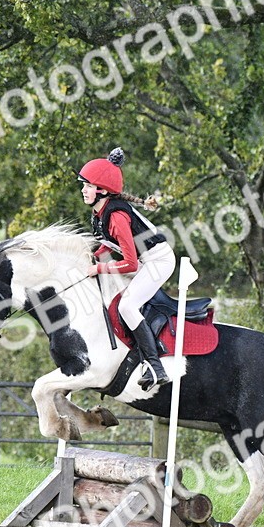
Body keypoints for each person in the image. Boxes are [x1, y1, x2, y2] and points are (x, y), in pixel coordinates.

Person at [78, 147, 177, 390]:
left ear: (102, 191)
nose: (83, 190)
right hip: (144, 261)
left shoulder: (116, 216)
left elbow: (130, 263)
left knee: (127, 306)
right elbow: (109, 243)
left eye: (88, 186)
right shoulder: (100, 212)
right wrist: (93, 257)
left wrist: (100, 269)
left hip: (158, 262)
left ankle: (155, 367)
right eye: (84, 185)